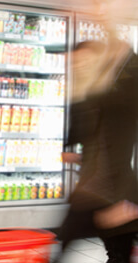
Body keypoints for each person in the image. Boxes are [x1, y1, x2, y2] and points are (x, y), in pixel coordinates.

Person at [55, 38, 138, 263]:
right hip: (89, 192)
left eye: (84, 62)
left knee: (118, 254)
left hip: (117, 195)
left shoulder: (123, 100)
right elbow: (96, 147)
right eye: (74, 63)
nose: (78, 67)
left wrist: (133, 205)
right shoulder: (86, 99)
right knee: (63, 247)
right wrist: (75, 155)